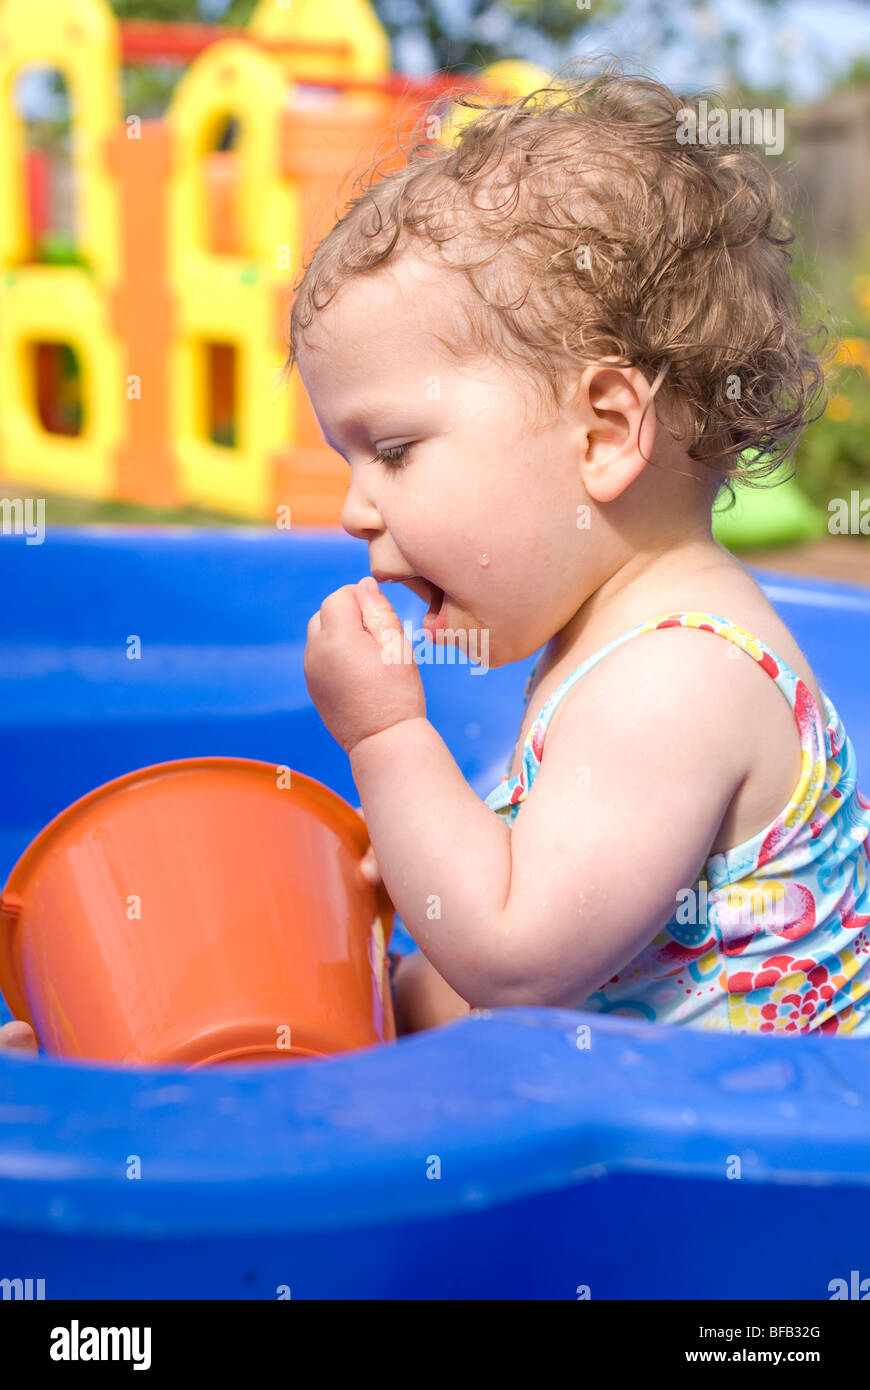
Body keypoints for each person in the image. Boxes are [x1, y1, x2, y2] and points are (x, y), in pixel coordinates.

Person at [292, 59, 870, 1038]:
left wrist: (389, 744)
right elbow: (507, 971)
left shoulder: (674, 679)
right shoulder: (605, 641)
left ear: (603, 433)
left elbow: (517, 963)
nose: (354, 510)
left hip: (749, 1166)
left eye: (392, 449)